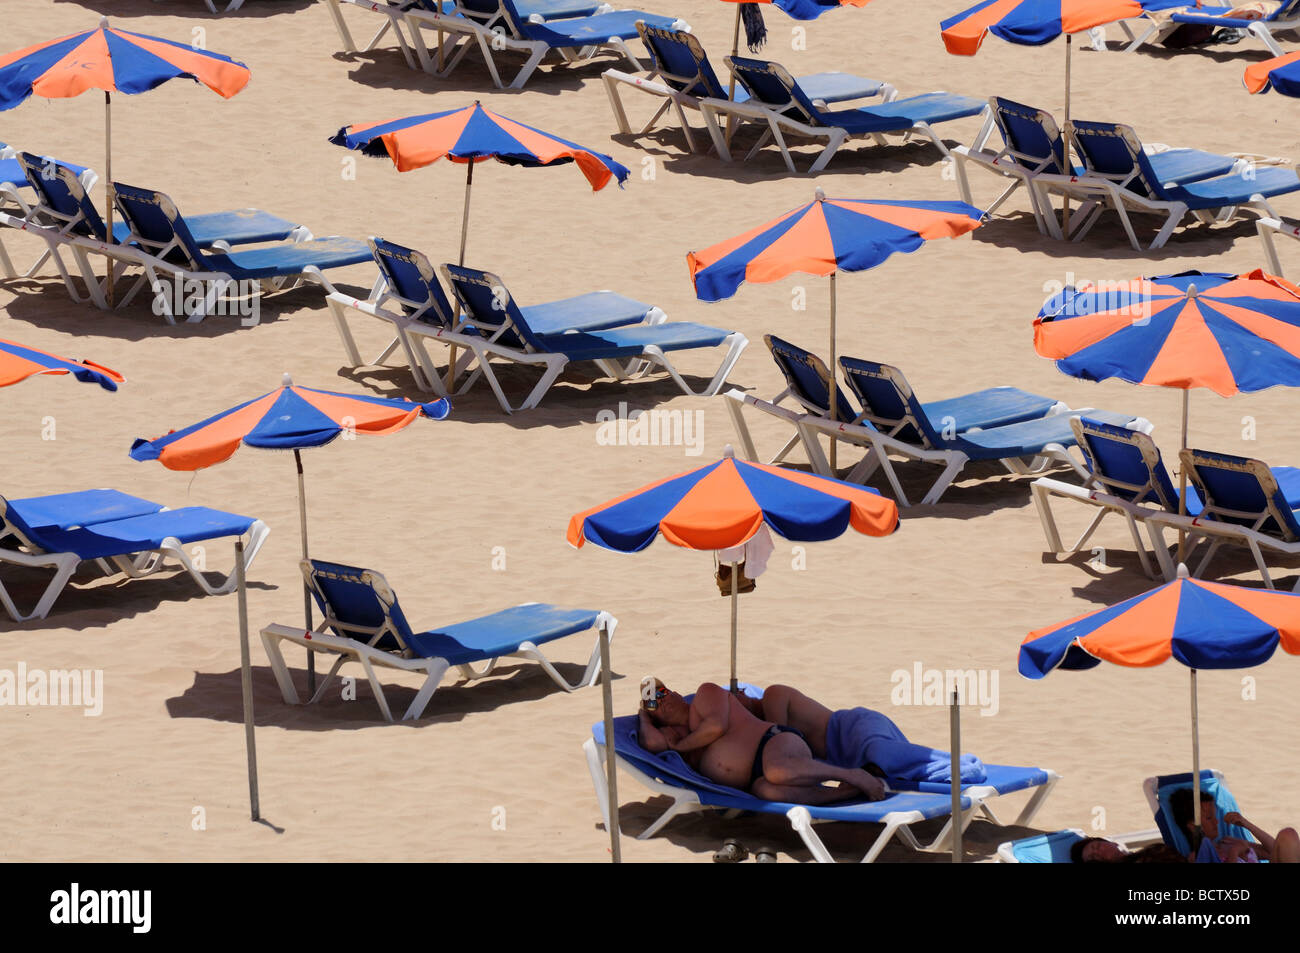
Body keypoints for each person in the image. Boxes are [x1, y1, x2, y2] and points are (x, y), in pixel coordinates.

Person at [637, 679, 886, 804]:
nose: (660, 700)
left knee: (777, 770)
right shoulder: (670, 734)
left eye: (661, 693)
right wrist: (643, 717)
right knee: (767, 790)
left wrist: (679, 746)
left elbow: (716, 727)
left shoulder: (706, 694)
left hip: (773, 742)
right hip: (754, 780)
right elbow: (653, 745)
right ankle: (841, 794)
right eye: (652, 703)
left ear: (677, 693)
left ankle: (851, 774)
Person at [728, 683, 986, 783]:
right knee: (892, 768)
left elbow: (782, 736)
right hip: (842, 756)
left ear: (744, 693)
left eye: (732, 700)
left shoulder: (773, 694)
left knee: (885, 754)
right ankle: (950, 770)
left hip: (850, 728)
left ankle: (960, 766)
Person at [1170, 787, 1300, 863]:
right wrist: (1235, 852)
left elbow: (1273, 851)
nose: (1217, 822)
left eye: (1215, 816)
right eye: (1209, 818)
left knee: (1288, 835)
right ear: (1193, 826)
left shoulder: (1229, 842)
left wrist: (1246, 824)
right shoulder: (1197, 857)